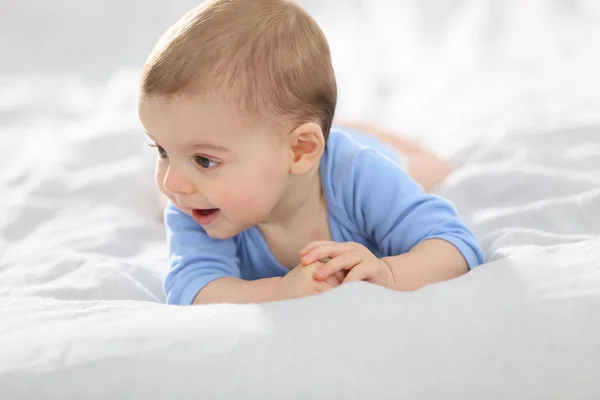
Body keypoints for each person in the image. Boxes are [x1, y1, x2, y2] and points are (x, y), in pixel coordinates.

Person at [138, 0, 484, 305]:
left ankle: (357, 130)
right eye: (162, 149)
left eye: (204, 160)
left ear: (301, 151)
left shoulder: (361, 175)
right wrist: (280, 292)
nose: (173, 181)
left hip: (368, 155)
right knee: (165, 203)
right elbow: (193, 289)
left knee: (430, 170)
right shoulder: (197, 206)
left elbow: (454, 245)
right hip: (303, 139)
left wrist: (389, 273)